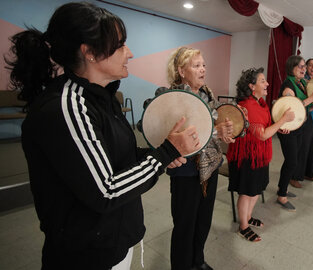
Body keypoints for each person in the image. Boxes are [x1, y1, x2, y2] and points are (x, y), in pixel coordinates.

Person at [5, 2, 199, 269]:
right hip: (87, 255)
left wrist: (160, 156)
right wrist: (165, 153)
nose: (129, 53)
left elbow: (116, 158)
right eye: (120, 45)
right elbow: (106, 191)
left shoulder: (103, 97)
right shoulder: (67, 107)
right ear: (90, 53)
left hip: (115, 241)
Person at [163, 46, 234, 270]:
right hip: (186, 171)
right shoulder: (172, 97)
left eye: (203, 65)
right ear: (181, 71)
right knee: (185, 225)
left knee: (203, 221)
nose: (203, 69)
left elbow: (211, 124)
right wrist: (216, 130)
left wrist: (224, 129)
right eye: (196, 65)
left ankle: (197, 261)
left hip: (210, 166)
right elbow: (188, 132)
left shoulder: (207, 93)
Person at [227, 67, 294, 242]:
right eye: (262, 81)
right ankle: (243, 227)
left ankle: (247, 218)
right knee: (247, 192)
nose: (267, 84)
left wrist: (280, 126)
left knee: (256, 189)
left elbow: (268, 128)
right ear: (251, 86)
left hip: (259, 156)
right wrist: (282, 121)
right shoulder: (247, 106)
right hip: (247, 157)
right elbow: (262, 134)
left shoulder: (261, 104)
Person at [276, 55, 313, 211]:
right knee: (292, 161)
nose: (304, 69)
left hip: (300, 126)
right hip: (288, 129)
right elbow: (293, 106)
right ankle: (281, 195)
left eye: (304, 66)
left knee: (291, 160)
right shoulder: (288, 86)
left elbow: (307, 103)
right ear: (292, 68)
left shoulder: (301, 82)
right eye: (300, 66)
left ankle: (283, 188)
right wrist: (312, 98)